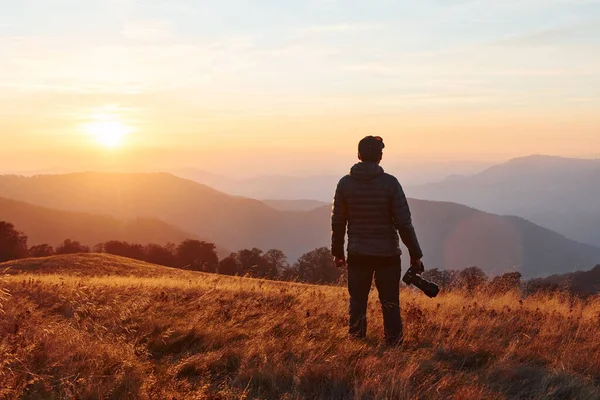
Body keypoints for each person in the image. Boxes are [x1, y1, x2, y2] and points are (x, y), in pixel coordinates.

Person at [331, 136, 424, 346]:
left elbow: (338, 221)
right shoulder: (390, 183)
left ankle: (356, 345)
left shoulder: (345, 184)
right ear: (380, 157)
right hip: (387, 254)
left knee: (357, 302)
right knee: (390, 302)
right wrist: (415, 254)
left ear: (358, 155)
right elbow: (404, 223)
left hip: (358, 253)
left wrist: (338, 251)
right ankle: (394, 346)